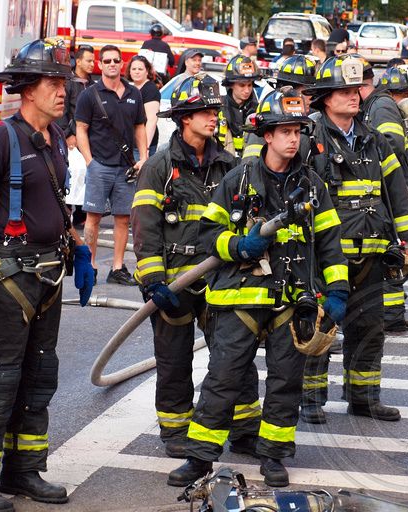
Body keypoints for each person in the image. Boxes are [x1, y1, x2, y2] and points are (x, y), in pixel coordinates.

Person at [168, 86, 349, 488]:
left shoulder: (313, 186)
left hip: (292, 301)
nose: (292, 138)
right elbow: (205, 236)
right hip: (240, 299)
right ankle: (199, 460)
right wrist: (238, 244)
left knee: (286, 381)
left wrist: (337, 294)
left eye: (297, 131)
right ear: (266, 135)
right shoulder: (237, 179)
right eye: (283, 131)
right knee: (223, 379)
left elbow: (331, 246)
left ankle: (274, 456)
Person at [0, 38, 94, 512]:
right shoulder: (0, 138)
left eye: (64, 84)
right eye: (54, 83)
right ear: (28, 90)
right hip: (9, 277)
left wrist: (81, 249)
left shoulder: (55, 139)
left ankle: (23, 472)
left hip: (48, 278)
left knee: (37, 377)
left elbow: (55, 203)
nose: (63, 92)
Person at [301, 55, 408, 425]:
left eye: (356, 90)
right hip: (326, 258)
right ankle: (310, 400)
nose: (355, 96)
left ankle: (364, 398)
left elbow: (397, 193)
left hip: (372, 254)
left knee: (369, 330)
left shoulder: (374, 140)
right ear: (325, 98)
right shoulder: (308, 141)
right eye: (345, 91)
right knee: (320, 328)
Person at [131, 73, 242, 458]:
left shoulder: (229, 166)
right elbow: (144, 226)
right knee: (174, 363)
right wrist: (153, 281)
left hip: (220, 281)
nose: (213, 117)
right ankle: (176, 432)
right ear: (184, 118)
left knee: (232, 358)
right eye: (204, 111)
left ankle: (244, 428)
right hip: (174, 287)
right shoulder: (160, 167)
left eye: (215, 110)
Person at [361, 64, 408, 335]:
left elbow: (391, 153)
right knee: (396, 254)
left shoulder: (381, 107)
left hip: (393, 196)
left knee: (397, 253)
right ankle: (388, 313)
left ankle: (391, 318)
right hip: (399, 193)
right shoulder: (384, 106)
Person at [76, 44, 148, 285]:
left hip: (126, 167)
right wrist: (90, 161)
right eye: (107, 61)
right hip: (100, 166)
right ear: (100, 65)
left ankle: (117, 268)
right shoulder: (89, 94)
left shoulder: (133, 94)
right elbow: (81, 129)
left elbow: (140, 127)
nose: (112, 65)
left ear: (122, 63)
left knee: (123, 219)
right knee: (92, 218)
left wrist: (143, 158)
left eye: (116, 60)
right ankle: (91, 266)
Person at [243, 55, 318, 162]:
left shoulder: (312, 121)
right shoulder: (265, 119)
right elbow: (251, 167)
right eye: (307, 92)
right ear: (289, 92)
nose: (312, 98)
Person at [55, 45, 95, 226]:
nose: (92, 64)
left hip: (88, 138)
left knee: (86, 174)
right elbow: (63, 111)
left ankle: (81, 211)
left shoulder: (92, 84)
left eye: (93, 60)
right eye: (89, 60)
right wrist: (67, 135)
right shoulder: (68, 83)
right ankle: (67, 210)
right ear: (78, 61)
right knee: (72, 173)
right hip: (71, 137)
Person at [217, 55, 261, 157]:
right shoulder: (218, 108)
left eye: (249, 85)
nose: (247, 90)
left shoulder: (258, 110)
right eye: (242, 85)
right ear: (231, 84)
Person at [126, 55, 161, 157]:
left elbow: (152, 120)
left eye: (140, 69)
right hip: (131, 143)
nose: (137, 71)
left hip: (142, 145)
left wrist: (145, 148)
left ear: (147, 71)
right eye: (134, 69)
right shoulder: (130, 88)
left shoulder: (150, 89)